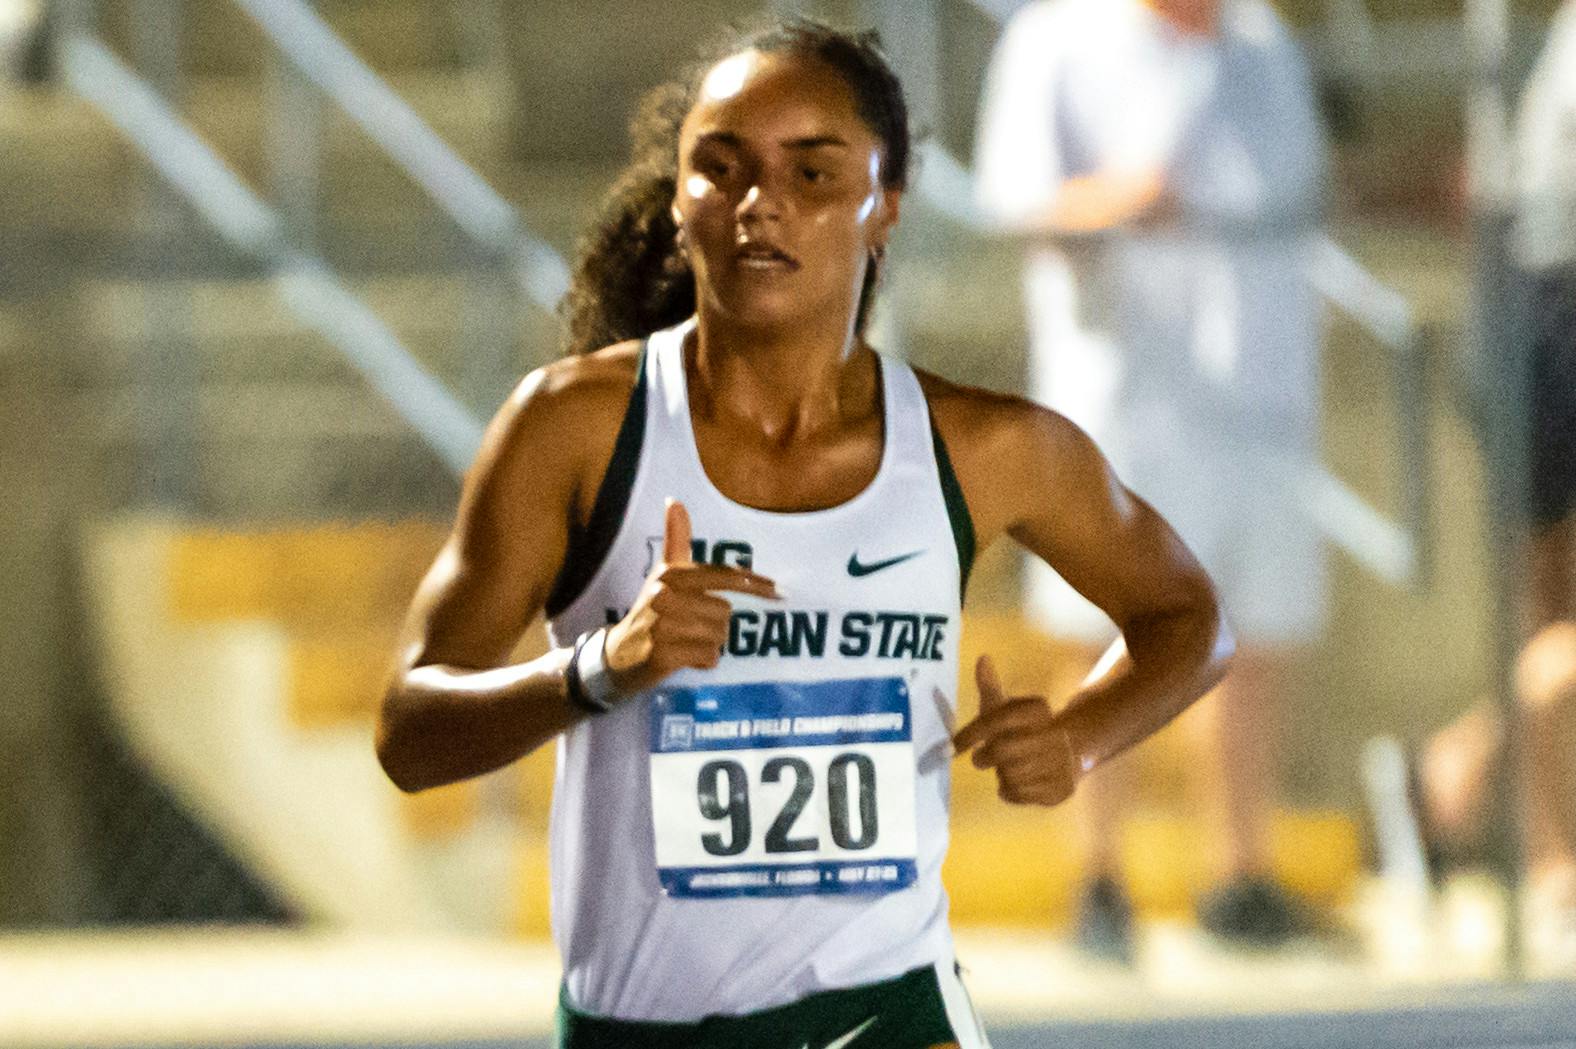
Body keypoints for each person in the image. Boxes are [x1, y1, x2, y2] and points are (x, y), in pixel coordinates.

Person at [376, 18, 1232, 1047]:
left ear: (885, 208)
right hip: (644, 1027)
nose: (758, 203)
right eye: (719, 168)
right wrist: (602, 665)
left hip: (893, 1011)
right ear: (680, 201)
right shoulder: (575, 429)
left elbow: (1187, 615)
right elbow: (409, 732)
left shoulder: (986, 448)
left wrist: (1082, 738)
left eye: (811, 173)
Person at [974, 0, 1327, 957]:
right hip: (1126, 394)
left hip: (1258, 387)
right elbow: (1014, 203)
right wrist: (1123, 199)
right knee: (1109, 630)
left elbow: (1299, 195)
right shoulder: (1055, 39)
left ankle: (1239, 873)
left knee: (1254, 634)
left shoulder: (1262, 42)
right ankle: (1098, 880)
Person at [1400, 0, 1576, 953]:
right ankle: (1545, 857)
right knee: (1546, 618)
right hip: (1542, 319)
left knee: (1549, 623)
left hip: (1536, 312)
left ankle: (1460, 781)